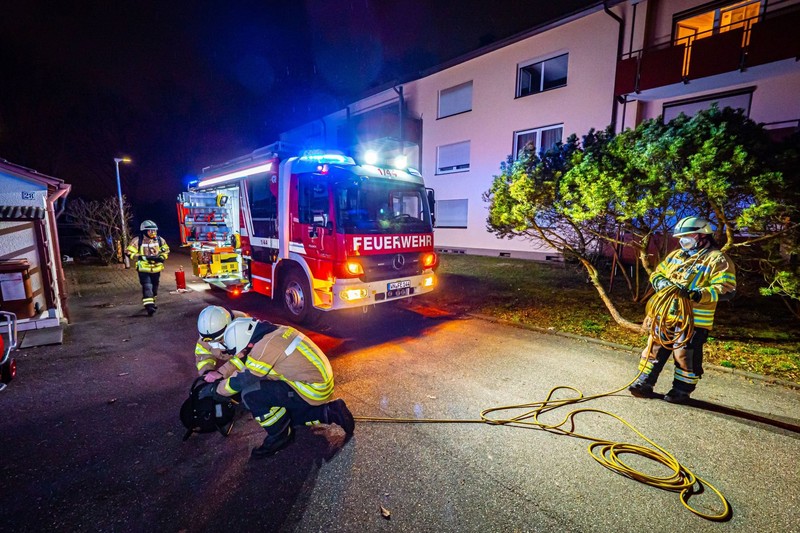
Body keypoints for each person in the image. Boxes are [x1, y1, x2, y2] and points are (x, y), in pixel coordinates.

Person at [203, 317, 355, 458]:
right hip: (317, 383)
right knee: (282, 413)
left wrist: (217, 390)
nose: (242, 354)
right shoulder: (274, 331)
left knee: (251, 395)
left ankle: (279, 437)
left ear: (248, 343)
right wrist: (221, 374)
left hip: (311, 390)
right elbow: (247, 365)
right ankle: (330, 412)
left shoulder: (264, 347)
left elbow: (243, 380)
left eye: (243, 350)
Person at [629, 216, 736, 404]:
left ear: (703, 235)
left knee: (684, 354)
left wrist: (696, 295)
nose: (682, 240)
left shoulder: (717, 259)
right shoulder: (676, 255)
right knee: (654, 347)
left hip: (694, 319)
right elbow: (658, 273)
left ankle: (681, 390)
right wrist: (661, 282)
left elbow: (727, 289)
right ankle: (644, 382)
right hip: (666, 314)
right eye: (681, 236)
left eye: (687, 235)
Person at [126, 220, 170, 316]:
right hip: (143, 269)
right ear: (144, 231)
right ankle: (149, 306)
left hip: (156, 268)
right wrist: (140, 257)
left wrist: (162, 257)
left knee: (155, 287)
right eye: (150, 231)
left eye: (154, 230)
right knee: (147, 286)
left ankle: (151, 301)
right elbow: (129, 252)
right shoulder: (137, 240)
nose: (153, 233)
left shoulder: (159, 240)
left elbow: (166, 250)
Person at [194, 305, 250, 377]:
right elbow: (203, 354)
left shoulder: (244, 327)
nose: (213, 344)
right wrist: (207, 371)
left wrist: (221, 373)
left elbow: (245, 358)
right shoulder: (207, 333)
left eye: (219, 339)